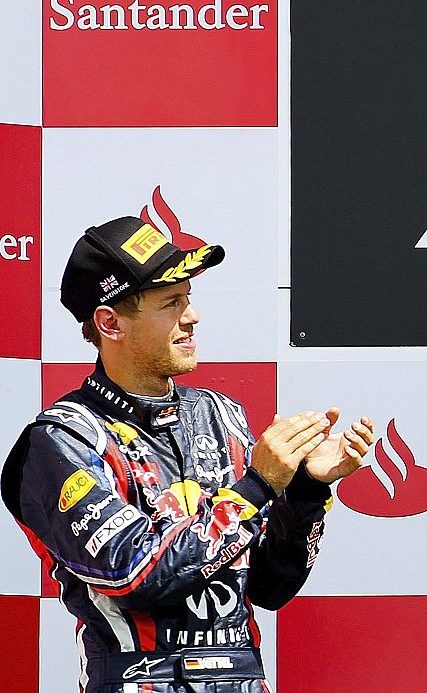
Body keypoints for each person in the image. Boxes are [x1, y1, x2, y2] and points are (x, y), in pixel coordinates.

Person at [1, 217, 375, 693]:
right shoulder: (62, 442)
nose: (192, 316)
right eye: (171, 303)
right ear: (110, 322)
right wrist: (257, 487)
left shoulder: (221, 415)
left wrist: (305, 491)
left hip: (245, 678)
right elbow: (133, 574)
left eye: (189, 299)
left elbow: (268, 587)